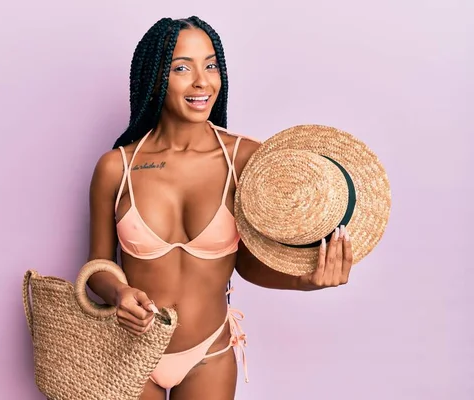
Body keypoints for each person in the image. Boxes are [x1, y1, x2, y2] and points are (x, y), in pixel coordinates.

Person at [86, 16, 353, 400]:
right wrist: (118, 292)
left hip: (209, 352)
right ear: (155, 77)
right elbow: (97, 266)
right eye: (182, 68)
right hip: (130, 349)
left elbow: (246, 263)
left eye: (211, 65)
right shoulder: (117, 167)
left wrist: (304, 280)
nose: (202, 81)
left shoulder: (245, 160)